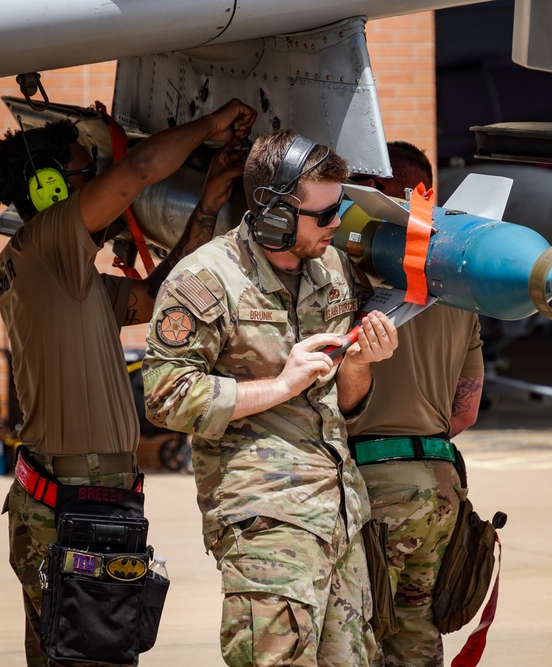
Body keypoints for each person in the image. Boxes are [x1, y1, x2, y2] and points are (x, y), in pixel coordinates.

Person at [0, 98, 257, 667]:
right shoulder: (44, 245)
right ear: (50, 190)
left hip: (84, 501)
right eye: (89, 170)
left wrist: (207, 199)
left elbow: (159, 297)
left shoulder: (65, 277)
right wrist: (212, 123)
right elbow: (137, 173)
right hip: (73, 505)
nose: (102, 183)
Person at [142, 129, 400, 667]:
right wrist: (280, 386)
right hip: (265, 517)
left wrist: (358, 364)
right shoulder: (205, 280)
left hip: (340, 512)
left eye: (340, 209)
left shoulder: (332, 271)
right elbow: (165, 397)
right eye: (323, 214)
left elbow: (346, 405)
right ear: (276, 214)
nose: (336, 225)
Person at [348, 140, 485, 667]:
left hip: (376, 483)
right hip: (441, 486)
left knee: (359, 629)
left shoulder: (354, 274)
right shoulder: (460, 286)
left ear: (386, 193)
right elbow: (466, 411)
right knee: (416, 626)